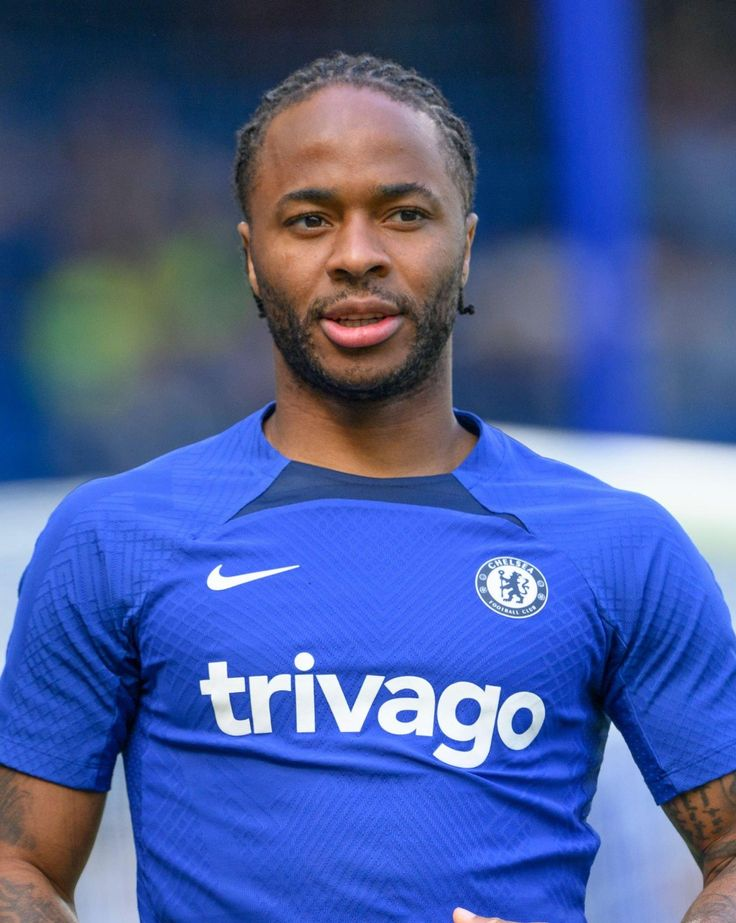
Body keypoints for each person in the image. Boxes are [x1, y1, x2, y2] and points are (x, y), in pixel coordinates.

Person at [0, 52, 735, 923]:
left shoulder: (619, 546)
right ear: (251, 257)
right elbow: (20, 866)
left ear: (466, 246)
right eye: (310, 220)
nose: (357, 256)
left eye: (404, 214)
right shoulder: (113, 537)